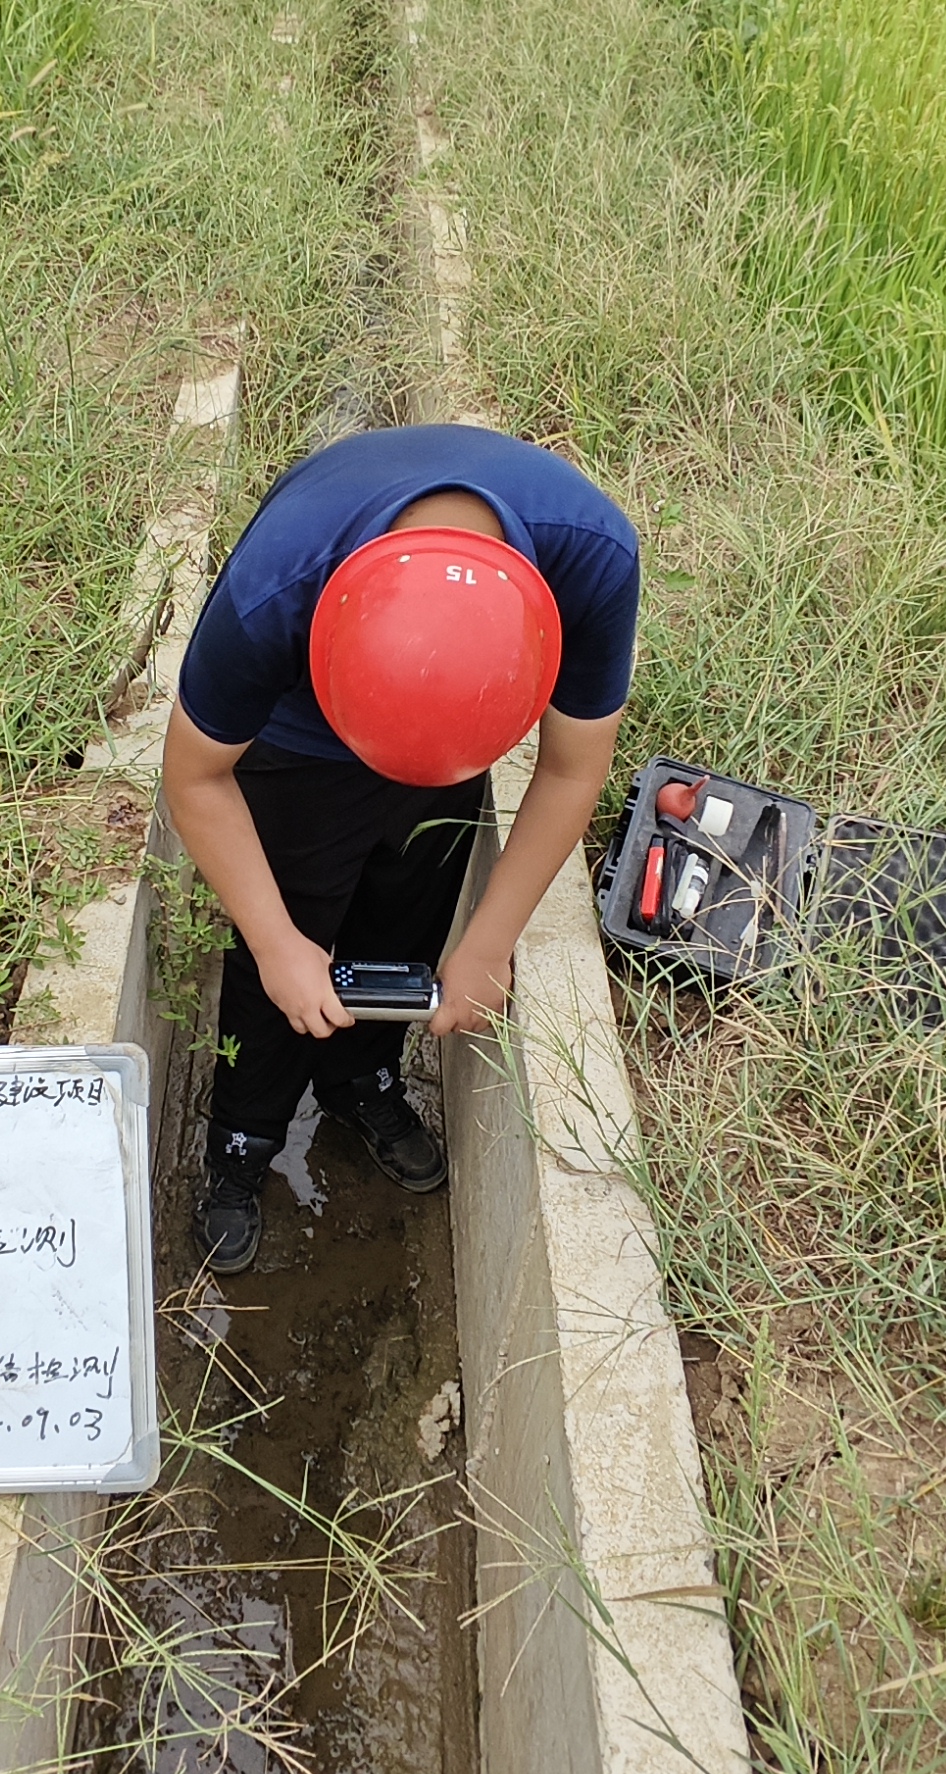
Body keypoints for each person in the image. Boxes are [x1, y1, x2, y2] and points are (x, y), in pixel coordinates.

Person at [163, 422, 637, 1274]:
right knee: (291, 924)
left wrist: (487, 945)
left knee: (411, 895)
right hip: (303, 742)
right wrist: (277, 947)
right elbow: (197, 777)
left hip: (460, 723)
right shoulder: (278, 585)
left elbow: (571, 770)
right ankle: (240, 1141)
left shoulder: (590, 561)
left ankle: (360, 1081)